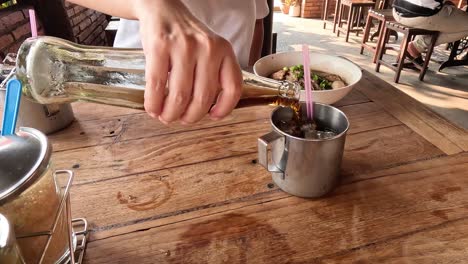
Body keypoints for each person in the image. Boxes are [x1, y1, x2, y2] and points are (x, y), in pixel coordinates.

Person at [68, 0, 269, 124]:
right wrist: (150, 3)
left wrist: (247, 80)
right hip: (138, 98)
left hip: (228, 106)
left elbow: (257, 21)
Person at [392, 0, 468, 64]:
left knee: (448, 11)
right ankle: (417, 45)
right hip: (420, 15)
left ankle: (416, 43)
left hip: (398, 9)